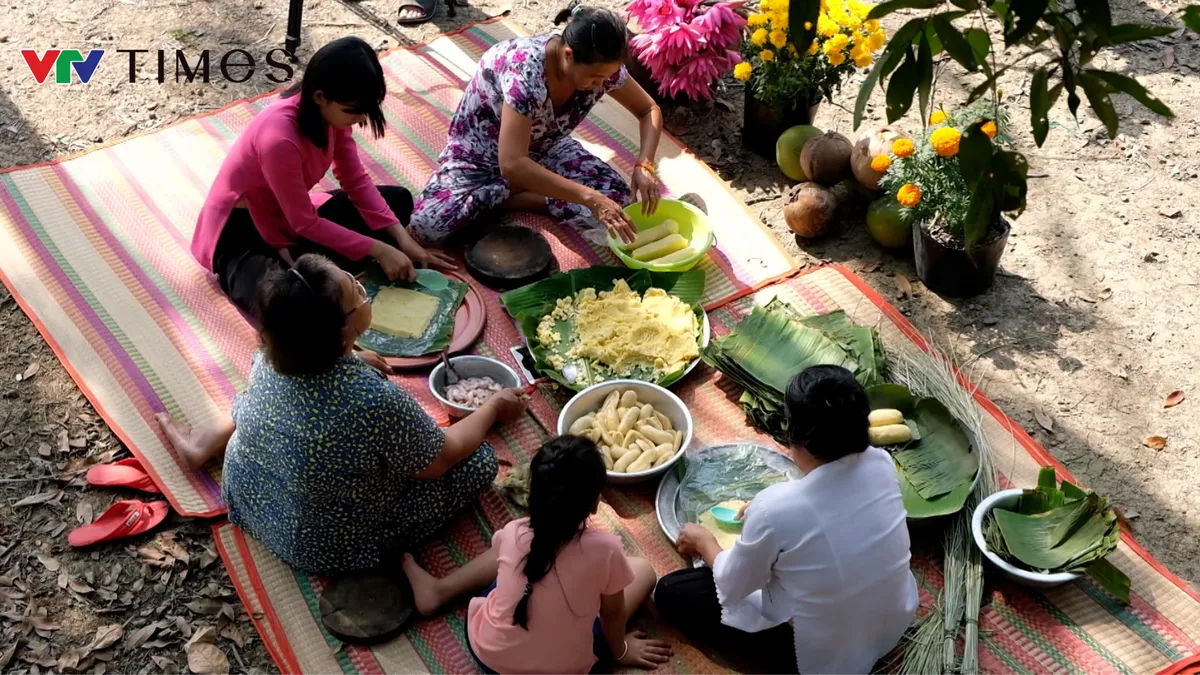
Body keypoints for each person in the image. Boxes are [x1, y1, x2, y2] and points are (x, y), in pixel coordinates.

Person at [156, 254, 527, 575]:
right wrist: (493, 408)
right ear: (343, 331)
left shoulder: (270, 356)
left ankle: (203, 443)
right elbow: (439, 461)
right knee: (477, 460)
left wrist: (351, 356)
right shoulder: (373, 403)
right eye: (357, 292)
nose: (362, 290)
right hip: (322, 545)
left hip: (250, 501)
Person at [655, 365, 919, 674]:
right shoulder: (881, 462)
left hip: (830, 662)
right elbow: (836, 508)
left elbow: (733, 583)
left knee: (672, 592)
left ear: (799, 438)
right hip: (892, 625)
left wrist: (706, 543)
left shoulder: (776, 509)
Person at [190, 36, 455, 321]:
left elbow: (355, 181)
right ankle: (302, 266)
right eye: (353, 111)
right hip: (245, 233)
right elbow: (303, 222)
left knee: (399, 202)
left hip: (292, 217)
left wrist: (402, 240)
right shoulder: (278, 138)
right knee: (289, 308)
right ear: (319, 96)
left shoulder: (331, 117)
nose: (360, 118)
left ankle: (309, 262)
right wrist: (379, 249)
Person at [400, 435, 674, 673]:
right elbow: (613, 615)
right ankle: (440, 592)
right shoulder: (606, 550)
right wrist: (621, 651)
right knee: (643, 570)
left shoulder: (514, 531)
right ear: (595, 504)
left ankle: (441, 589)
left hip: (488, 655)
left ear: (532, 495)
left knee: (512, 559)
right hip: (561, 669)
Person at [409, 5, 663, 246]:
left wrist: (645, 164)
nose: (601, 84)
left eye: (606, 78)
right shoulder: (525, 72)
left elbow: (648, 109)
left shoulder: (602, 69)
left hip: (545, 146)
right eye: (595, 77)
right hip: (483, 154)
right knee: (429, 226)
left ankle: (512, 195)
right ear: (568, 55)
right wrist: (588, 197)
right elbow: (511, 163)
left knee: (618, 198)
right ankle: (515, 192)